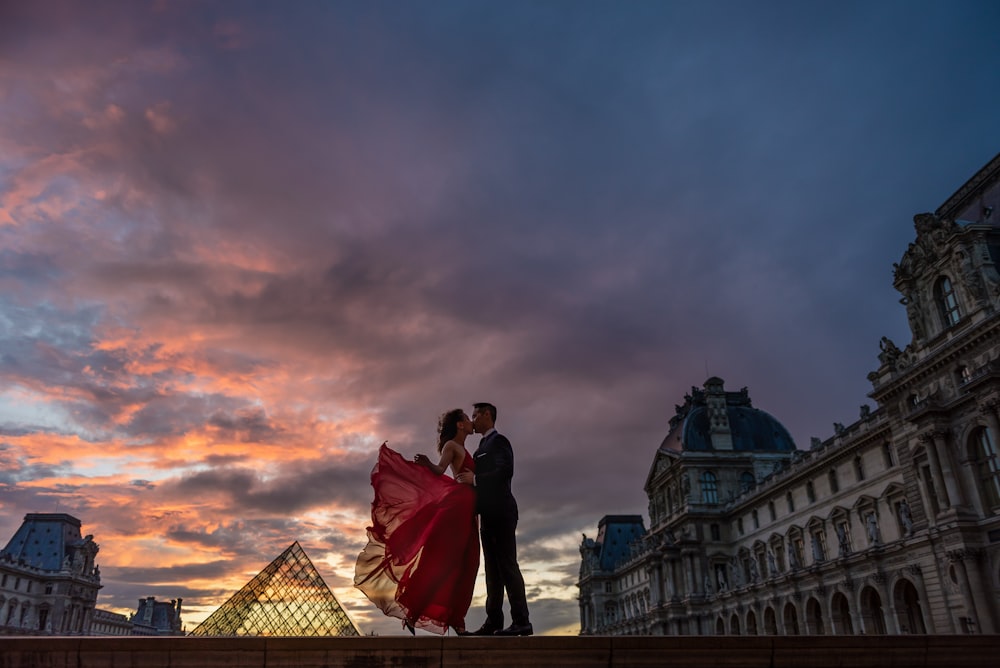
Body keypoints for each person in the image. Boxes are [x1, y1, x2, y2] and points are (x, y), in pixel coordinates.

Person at [354, 409, 479, 635]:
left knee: (468, 564)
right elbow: (440, 469)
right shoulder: (452, 446)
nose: (471, 422)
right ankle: (417, 612)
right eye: (468, 419)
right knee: (446, 561)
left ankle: (456, 620)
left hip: (470, 510)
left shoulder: (464, 448)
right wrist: (427, 463)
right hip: (458, 507)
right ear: (460, 425)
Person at [455, 402, 532, 636]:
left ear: (488, 415)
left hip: (502, 512)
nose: (473, 420)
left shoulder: (499, 441)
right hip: (488, 515)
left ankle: (522, 621)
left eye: (476, 415)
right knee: (492, 572)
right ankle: (494, 622)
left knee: (508, 566)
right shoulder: (482, 445)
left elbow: (505, 471)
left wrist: (475, 479)